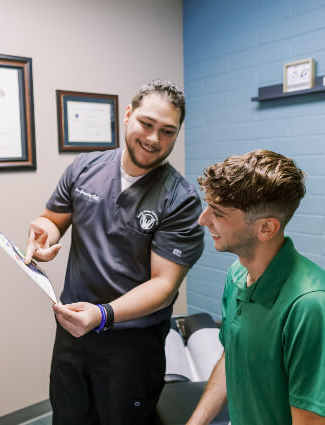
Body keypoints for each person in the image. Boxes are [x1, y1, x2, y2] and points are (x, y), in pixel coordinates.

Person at [25, 79, 205, 425]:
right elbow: (52, 219)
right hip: (72, 330)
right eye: (146, 124)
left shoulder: (179, 200)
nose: (153, 139)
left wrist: (103, 315)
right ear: (128, 114)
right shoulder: (84, 168)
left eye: (168, 131)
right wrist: (42, 236)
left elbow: (163, 285)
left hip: (131, 343)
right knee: (68, 416)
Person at [186, 150, 325, 425]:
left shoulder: (313, 307)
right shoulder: (237, 275)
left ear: (266, 228)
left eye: (218, 213)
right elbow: (232, 358)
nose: (203, 219)